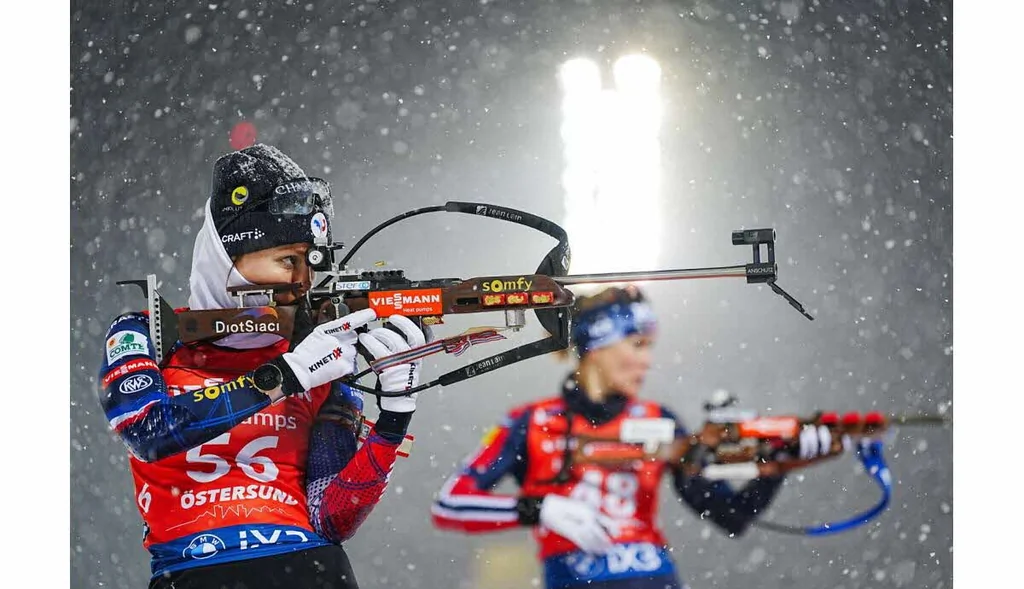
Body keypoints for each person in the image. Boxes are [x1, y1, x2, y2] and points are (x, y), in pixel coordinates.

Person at [97, 144, 425, 589]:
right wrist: (282, 377)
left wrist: (393, 418)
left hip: (311, 568)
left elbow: (332, 517)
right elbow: (147, 431)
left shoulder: (317, 349)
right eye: (287, 260)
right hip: (193, 574)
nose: (300, 283)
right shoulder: (147, 333)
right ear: (226, 256)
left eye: (310, 265)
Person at [431, 284, 840, 589]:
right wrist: (539, 509)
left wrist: (778, 464)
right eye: (637, 344)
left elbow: (728, 515)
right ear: (596, 345)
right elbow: (450, 504)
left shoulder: (659, 420)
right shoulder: (530, 421)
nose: (647, 360)